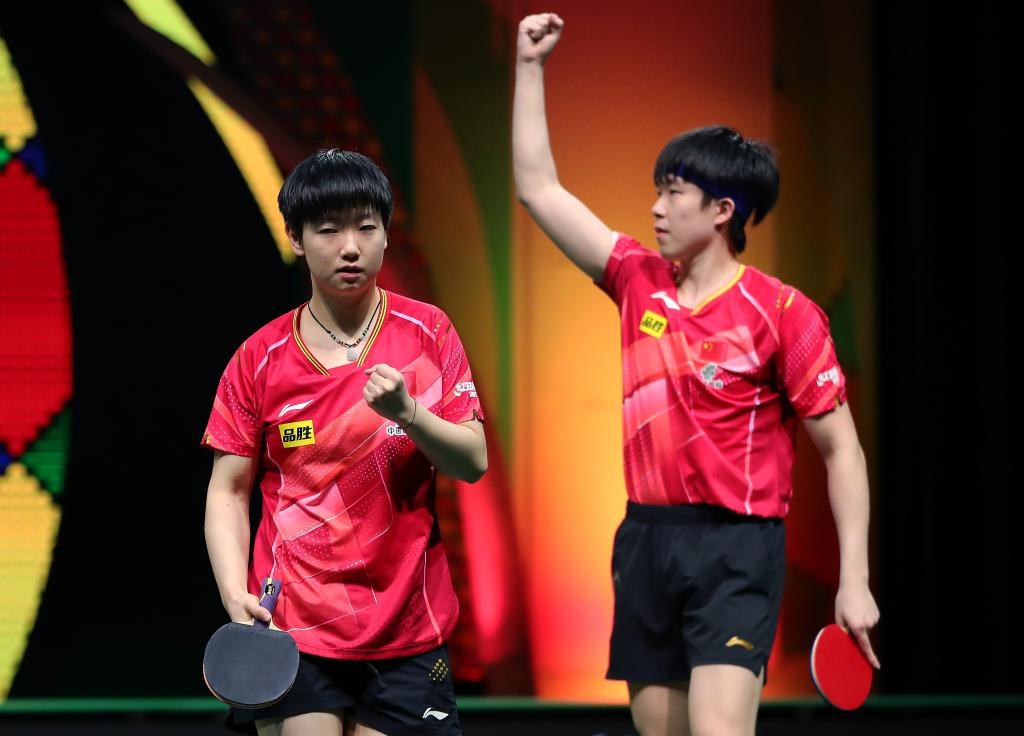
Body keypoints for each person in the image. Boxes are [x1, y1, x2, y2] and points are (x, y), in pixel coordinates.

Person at [513, 13, 880, 736]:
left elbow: (843, 451)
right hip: (647, 539)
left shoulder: (784, 313)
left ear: (722, 210)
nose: (656, 206)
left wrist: (856, 580)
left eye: (674, 192)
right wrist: (529, 69)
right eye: (658, 189)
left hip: (737, 548)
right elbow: (539, 189)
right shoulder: (635, 279)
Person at [201, 148, 487, 736]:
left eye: (366, 228)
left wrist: (409, 413)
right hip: (295, 624)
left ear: (386, 235)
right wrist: (233, 594)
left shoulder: (428, 333)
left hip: (407, 626)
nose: (350, 247)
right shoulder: (260, 359)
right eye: (329, 230)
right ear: (297, 238)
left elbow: (472, 461)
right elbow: (228, 491)